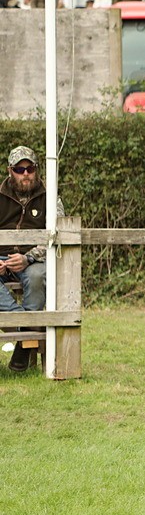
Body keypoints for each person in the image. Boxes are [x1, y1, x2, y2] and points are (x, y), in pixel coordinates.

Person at [0, 147, 50, 372]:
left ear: (36, 170)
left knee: (39, 275)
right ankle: (26, 332)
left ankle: (22, 344)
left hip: (32, 259)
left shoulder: (49, 194)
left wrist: (28, 257)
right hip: (1, 256)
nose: (25, 173)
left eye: (30, 168)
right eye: (20, 169)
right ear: (10, 171)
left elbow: (57, 235)